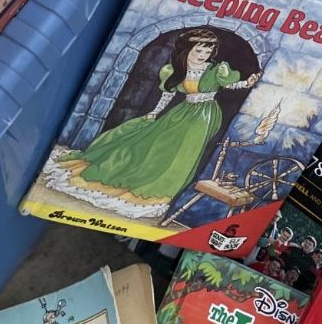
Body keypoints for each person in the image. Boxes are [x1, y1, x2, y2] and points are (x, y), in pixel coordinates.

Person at [50, 30, 259, 214]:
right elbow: (166, 95)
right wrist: (155, 113)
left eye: (207, 52)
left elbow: (229, 85)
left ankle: (162, 192)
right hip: (182, 111)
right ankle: (138, 175)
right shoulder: (173, 70)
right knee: (155, 144)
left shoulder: (216, 69)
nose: (203, 56)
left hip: (205, 115)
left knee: (185, 151)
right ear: (186, 50)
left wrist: (246, 83)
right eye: (199, 51)